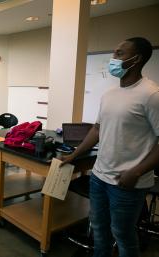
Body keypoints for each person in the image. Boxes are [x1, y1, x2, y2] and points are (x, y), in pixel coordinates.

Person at [60, 37, 159, 257]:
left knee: (122, 235)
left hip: (126, 183)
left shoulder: (151, 94)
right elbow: (97, 130)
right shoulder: (110, 94)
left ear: (136, 59)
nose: (113, 59)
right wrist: (74, 155)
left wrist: (137, 171)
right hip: (99, 176)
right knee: (99, 231)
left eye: (119, 54)